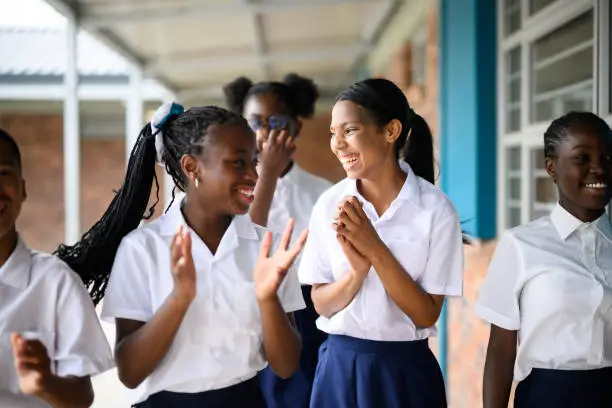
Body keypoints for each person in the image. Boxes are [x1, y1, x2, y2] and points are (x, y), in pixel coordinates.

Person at [96, 103, 307, 408]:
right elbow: (130, 373)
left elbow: (285, 366)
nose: (253, 175)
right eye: (237, 163)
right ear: (192, 167)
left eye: (254, 162)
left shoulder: (266, 247)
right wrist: (179, 299)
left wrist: (267, 297)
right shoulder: (142, 249)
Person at [298, 78, 465, 408]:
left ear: (390, 131)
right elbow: (321, 303)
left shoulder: (436, 210)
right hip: (340, 370)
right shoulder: (328, 205)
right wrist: (355, 275)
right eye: (334, 133)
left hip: (404, 374)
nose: (338, 144)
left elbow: (425, 314)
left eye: (349, 130)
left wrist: (373, 247)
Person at [475, 111, 612, 408]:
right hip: (548, 397)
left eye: (607, 158)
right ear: (551, 167)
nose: (598, 169)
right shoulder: (521, 245)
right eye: (582, 159)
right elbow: (501, 349)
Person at [224, 73, 331, 408]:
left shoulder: (323, 193)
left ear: (296, 126)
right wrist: (266, 172)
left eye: (278, 121)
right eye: (255, 121)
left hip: (308, 315)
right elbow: (241, 241)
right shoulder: (227, 191)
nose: (266, 132)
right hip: (246, 312)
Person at [0, 129, 114, 407]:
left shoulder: (55, 282)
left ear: (23, 188)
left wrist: (45, 382)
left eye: (3, 174)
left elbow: (81, 398)